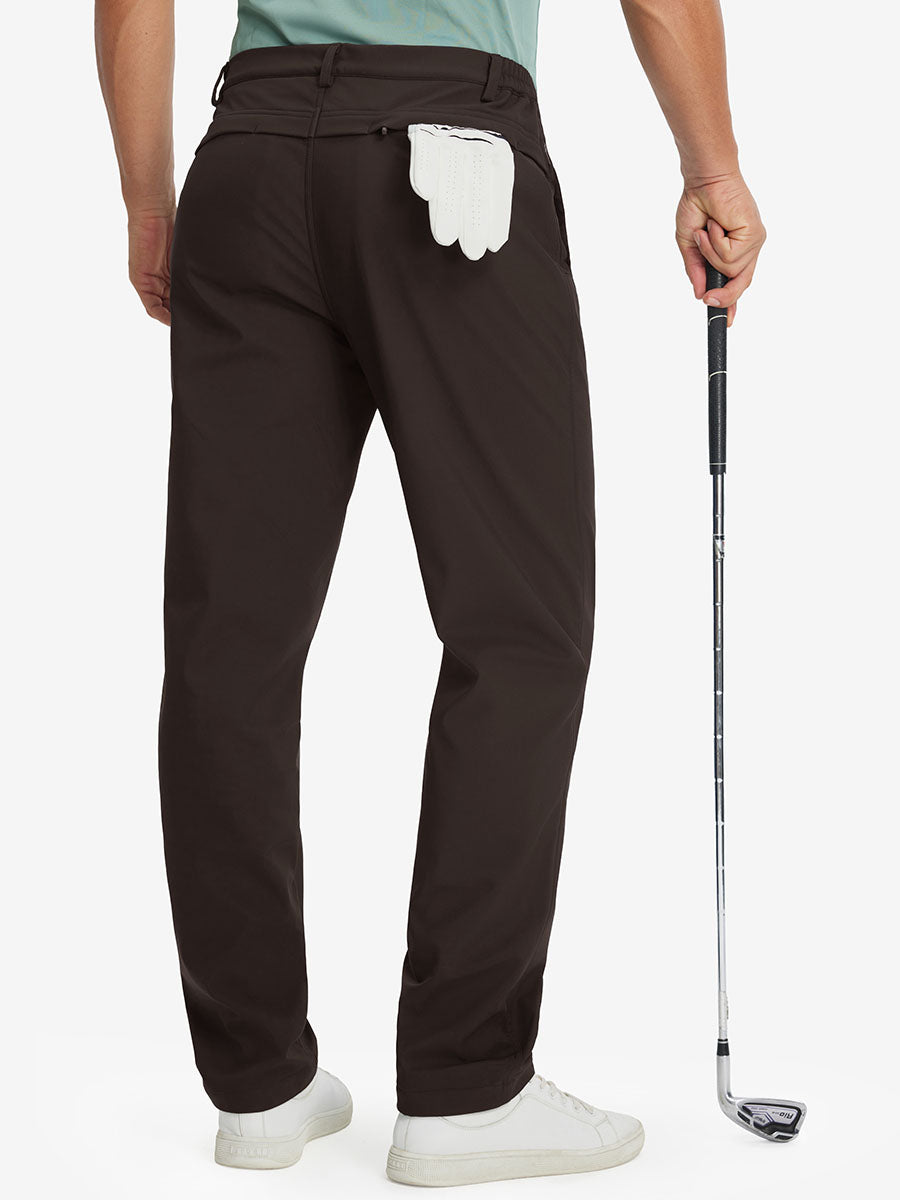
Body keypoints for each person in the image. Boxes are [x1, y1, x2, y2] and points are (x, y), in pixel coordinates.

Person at [96, 0, 765, 1186]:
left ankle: (258, 1085)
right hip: (452, 153)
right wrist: (712, 168)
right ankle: (466, 1085)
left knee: (229, 646)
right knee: (519, 630)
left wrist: (149, 199)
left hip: (250, 160)